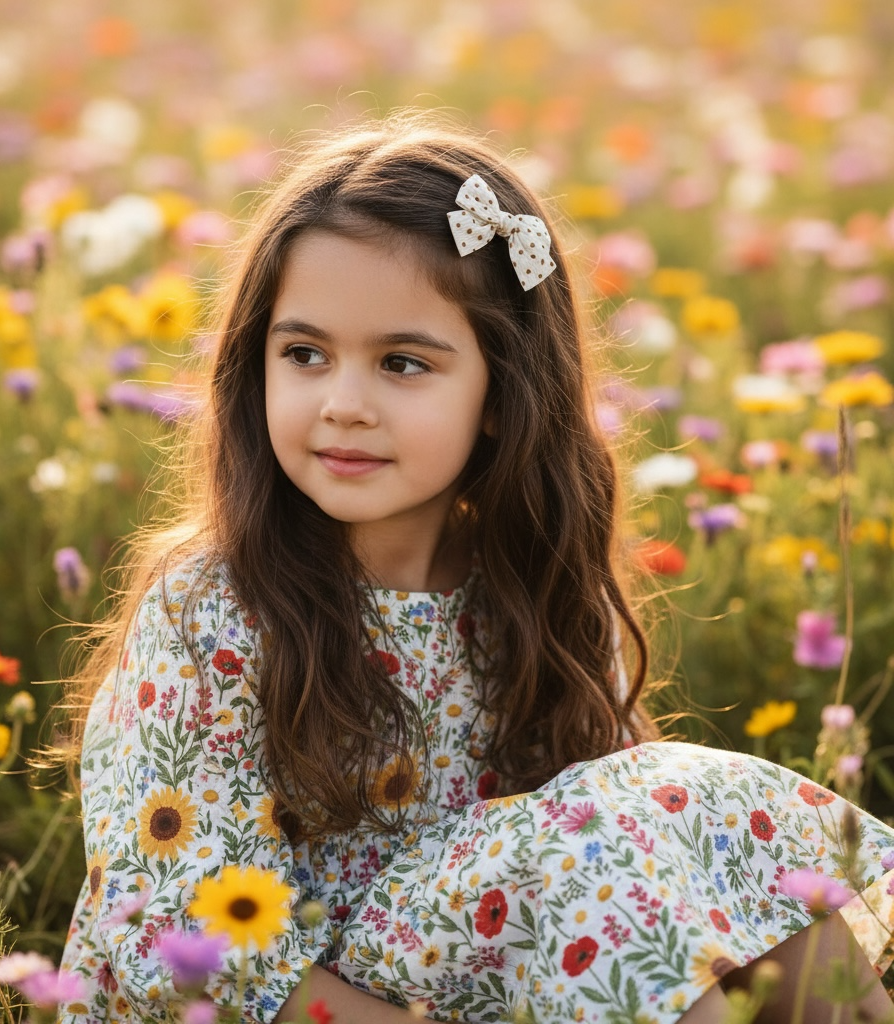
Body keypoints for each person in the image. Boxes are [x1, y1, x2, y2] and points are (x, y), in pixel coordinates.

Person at [57, 114, 894, 1024]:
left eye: (403, 363)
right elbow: (177, 941)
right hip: (271, 1007)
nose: (343, 404)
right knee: (617, 835)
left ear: (502, 394)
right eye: (304, 353)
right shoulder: (211, 605)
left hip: (501, 979)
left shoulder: (529, 591)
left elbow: (648, 873)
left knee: (702, 844)